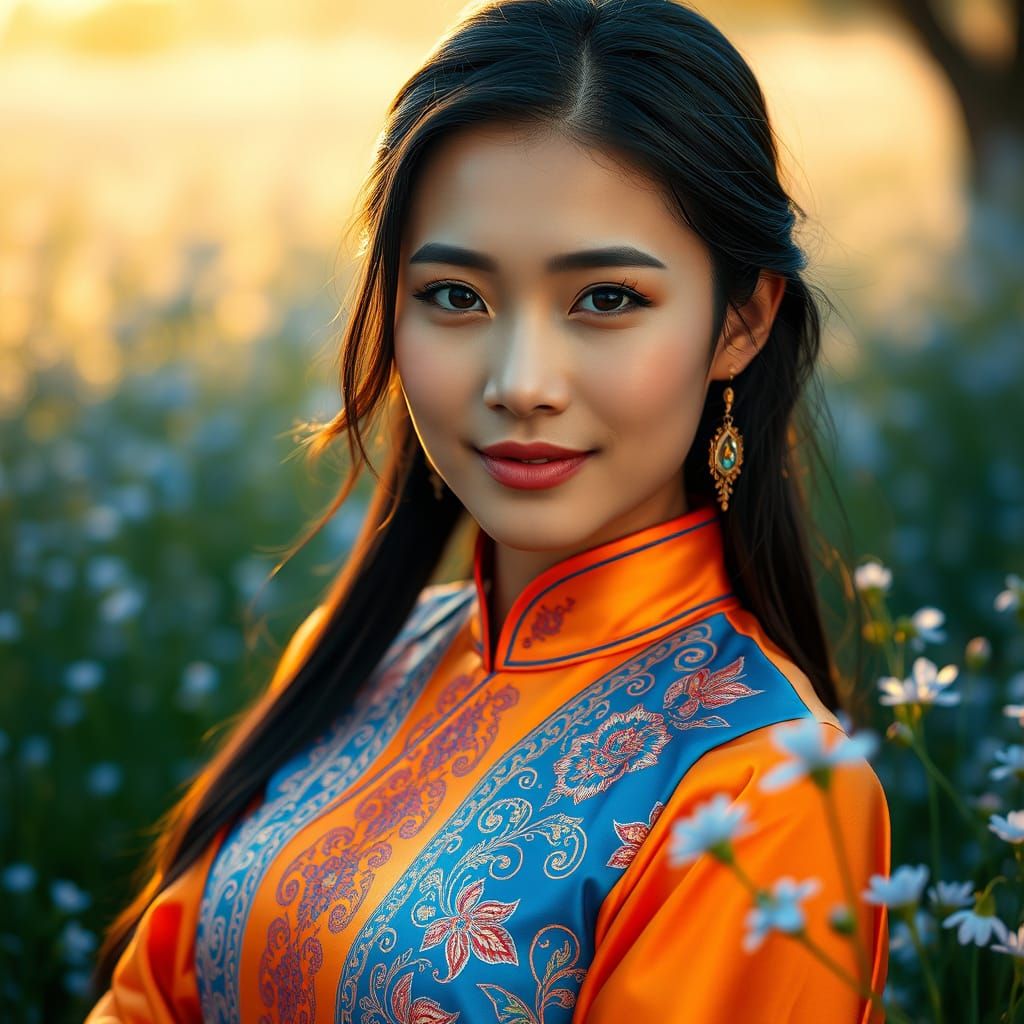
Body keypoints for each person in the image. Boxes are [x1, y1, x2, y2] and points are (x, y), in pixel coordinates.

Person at [84, 1, 891, 1021]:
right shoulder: (355, 652)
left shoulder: (765, 791)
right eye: (457, 297)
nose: (520, 382)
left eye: (604, 299)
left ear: (740, 322)